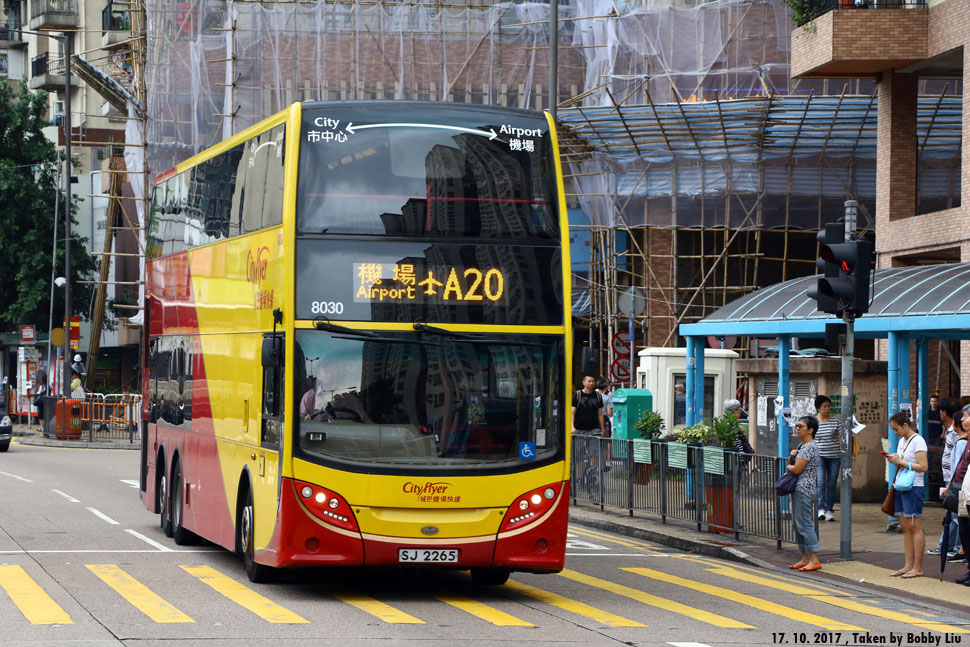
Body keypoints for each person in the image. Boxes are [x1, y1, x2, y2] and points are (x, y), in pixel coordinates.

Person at [883, 410, 929, 579]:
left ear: (905, 425)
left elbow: (923, 466)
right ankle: (908, 565)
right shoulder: (903, 441)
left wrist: (900, 461)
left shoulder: (918, 441)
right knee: (906, 527)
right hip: (902, 485)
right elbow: (906, 463)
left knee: (915, 526)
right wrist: (896, 459)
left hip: (914, 486)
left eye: (896, 429)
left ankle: (918, 567)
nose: (895, 433)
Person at [930, 397, 964, 557]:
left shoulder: (958, 434)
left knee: (957, 515)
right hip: (951, 479)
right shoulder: (950, 430)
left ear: (944, 412)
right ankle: (946, 545)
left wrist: (952, 482)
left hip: (955, 481)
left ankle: (958, 548)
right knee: (951, 514)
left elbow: (957, 459)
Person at [787, 415, 821, 572]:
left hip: (804, 489)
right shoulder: (802, 445)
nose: (797, 428)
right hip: (799, 488)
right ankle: (805, 557)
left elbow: (796, 469)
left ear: (811, 430)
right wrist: (791, 458)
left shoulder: (810, 447)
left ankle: (814, 558)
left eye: (800, 426)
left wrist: (789, 466)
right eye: (797, 426)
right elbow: (793, 464)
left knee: (805, 524)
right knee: (797, 524)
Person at [572, 374, 606, 489]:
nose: (591, 383)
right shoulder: (577, 395)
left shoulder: (597, 395)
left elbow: (600, 413)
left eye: (593, 381)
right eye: (589, 381)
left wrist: (602, 429)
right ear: (584, 382)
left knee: (594, 453)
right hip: (580, 429)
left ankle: (592, 473)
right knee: (580, 456)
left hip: (594, 428)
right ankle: (580, 478)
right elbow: (572, 412)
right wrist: (572, 427)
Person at [814, 395, 841, 522]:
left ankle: (829, 509)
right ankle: (820, 509)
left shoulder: (836, 421)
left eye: (829, 406)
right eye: (824, 406)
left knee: (831, 483)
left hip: (834, 456)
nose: (827, 409)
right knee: (820, 483)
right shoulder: (813, 422)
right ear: (818, 408)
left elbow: (844, 434)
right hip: (819, 457)